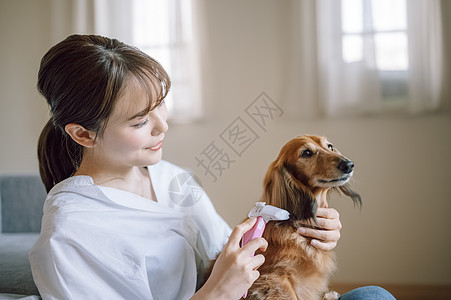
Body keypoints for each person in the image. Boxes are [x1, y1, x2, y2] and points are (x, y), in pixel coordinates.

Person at [29, 34, 394, 300]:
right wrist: (218, 292)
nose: (162, 125)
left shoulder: (172, 179)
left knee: (373, 295)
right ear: (83, 134)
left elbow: (233, 255)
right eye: (140, 121)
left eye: (161, 104)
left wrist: (310, 232)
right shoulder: (70, 237)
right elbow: (224, 280)